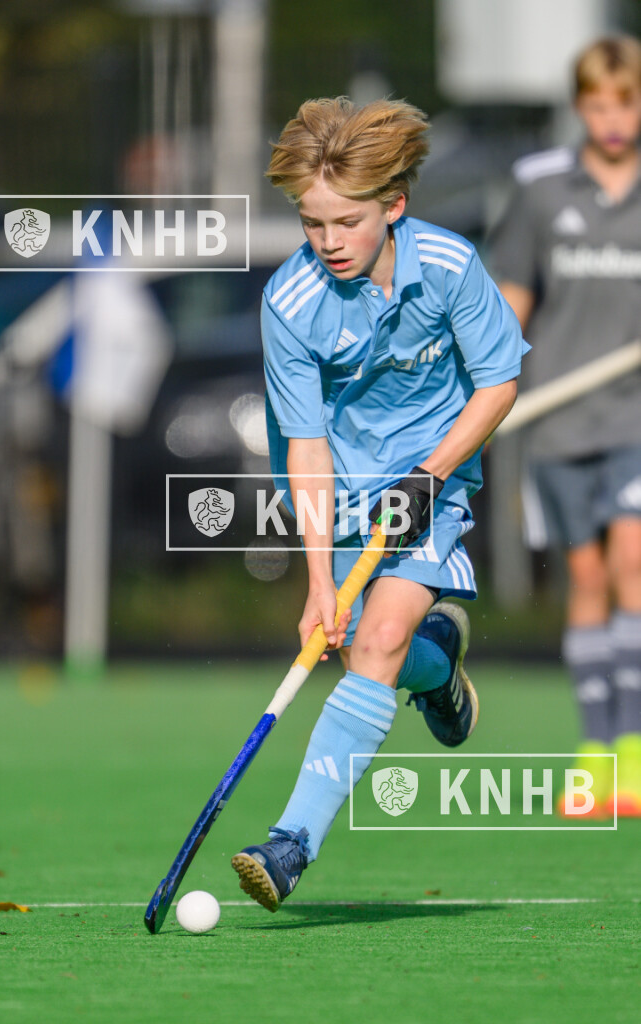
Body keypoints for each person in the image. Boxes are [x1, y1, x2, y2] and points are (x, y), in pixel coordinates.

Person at [231, 97, 527, 911]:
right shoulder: (289, 304)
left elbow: (498, 383)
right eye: (310, 223)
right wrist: (317, 583)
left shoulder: (450, 265)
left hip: (436, 474)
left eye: (346, 222)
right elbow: (306, 445)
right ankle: (440, 671)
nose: (327, 241)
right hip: (343, 486)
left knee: (380, 637)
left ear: (392, 206)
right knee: (367, 643)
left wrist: (429, 476)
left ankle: (290, 844)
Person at [490, 36, 641, 818]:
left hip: (634, 415)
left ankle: (633, 753)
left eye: (625, 103)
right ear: (579, 107)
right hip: (555, 413)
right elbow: (510, 297)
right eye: (596, 105)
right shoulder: (541, 188)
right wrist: (488, 387)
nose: (611, 119)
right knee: (584, 580)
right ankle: (593, 755)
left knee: (632, 564)